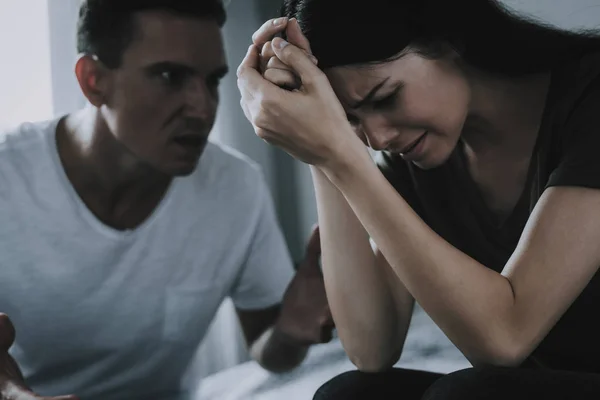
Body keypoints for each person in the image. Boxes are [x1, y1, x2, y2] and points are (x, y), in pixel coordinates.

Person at [236, 0, 600, 398]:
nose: (377, 139)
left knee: (465, 394)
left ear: (449, 40)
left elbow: (504, 340)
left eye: (384, 97)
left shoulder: (589, 97)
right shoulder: (417, 158)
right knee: (351, 394)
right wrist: (320, 152)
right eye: (350, 119)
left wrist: (341, 158)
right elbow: (371, 349)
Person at [0, 1, 335, 399]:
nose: (202, 107)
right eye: (169, 76)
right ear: (93, 81)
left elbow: (269, 351)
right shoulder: (8, 178)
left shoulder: (235, 187)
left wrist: (291, 331)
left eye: (211, 81)